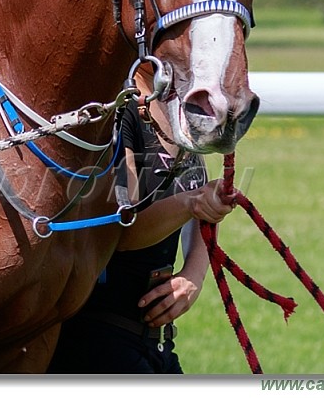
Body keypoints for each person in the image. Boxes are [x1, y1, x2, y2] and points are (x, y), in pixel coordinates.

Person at [47, 77, 236, 374]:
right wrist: (192, 202)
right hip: (99, 339)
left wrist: (194, 274)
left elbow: (200, 195)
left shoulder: (179, 104)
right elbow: (124, 230)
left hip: (156, 342)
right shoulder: (117, 109)